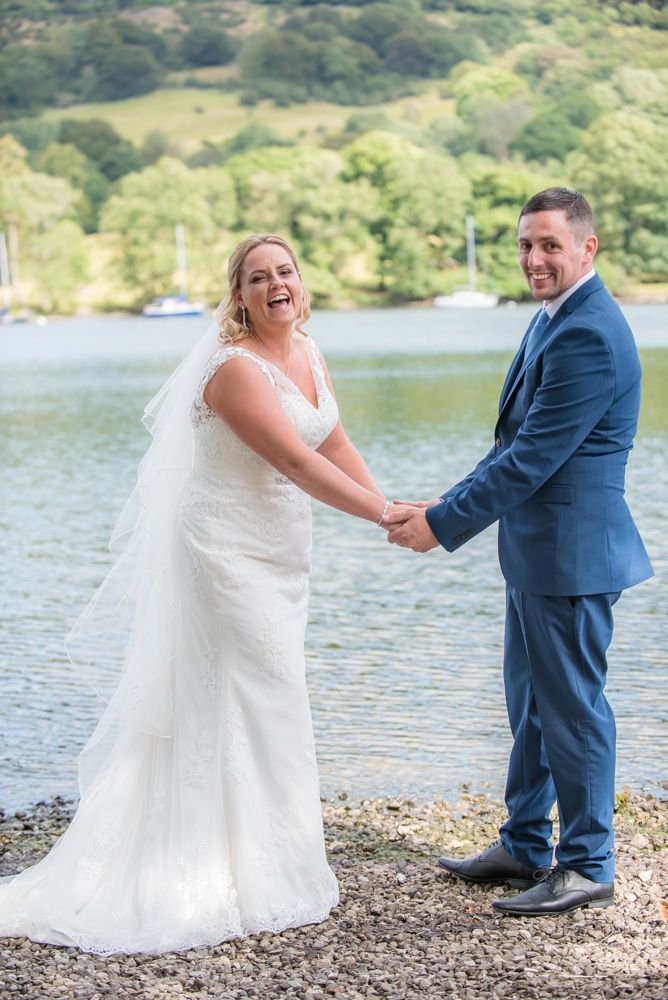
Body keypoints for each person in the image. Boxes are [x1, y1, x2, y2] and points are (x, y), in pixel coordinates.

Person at [0, 234, 389, 954]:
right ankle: (213, 871)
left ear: (301, 281)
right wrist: (383, 517)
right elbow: (293, 459)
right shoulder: (234, 369)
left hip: (281, 556)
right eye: (257, 277)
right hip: (222, 552)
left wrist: (388, 503)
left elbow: (331, 441)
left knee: (264, 695)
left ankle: (272, 857)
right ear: (237, 295)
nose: (276, 285)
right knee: (258, 690)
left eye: (285, 271)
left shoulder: (308, 350)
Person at [384, 188, 653, 916]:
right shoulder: (553, 320)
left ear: (587, 248)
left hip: (574, 559)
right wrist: (438, 505)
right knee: (531, 706)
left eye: (550, 246)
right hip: (538, 553)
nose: (535, 258)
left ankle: (589, 863)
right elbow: (508, 447)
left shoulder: (589, 332)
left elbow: (532, 459)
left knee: (573, 712)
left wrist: (442, 525)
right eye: (526, 245)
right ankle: (527, 842)